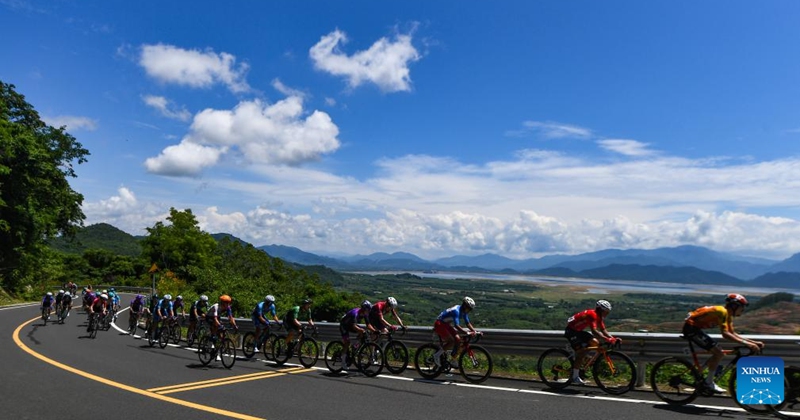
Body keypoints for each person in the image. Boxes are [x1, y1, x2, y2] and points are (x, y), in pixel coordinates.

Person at [682, 293, 764, 393]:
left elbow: (732, 333)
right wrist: (747, 344)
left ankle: (698, 375)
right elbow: (725, 334)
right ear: (734, 306)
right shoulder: (721, 312)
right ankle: (709, 383)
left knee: (718, 353)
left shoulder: (727, 315)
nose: (743, 310)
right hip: (691, 329)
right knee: (719, 353)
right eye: (742, 307)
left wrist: (753, 342)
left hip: (696, 329)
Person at [564, 299, 618, 384]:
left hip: (578, 331)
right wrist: (607, 339)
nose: (607, 314)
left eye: (608, 312)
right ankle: (575, 376)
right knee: (580, 354)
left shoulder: (599, 316)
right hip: (571, 332)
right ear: (600, 310)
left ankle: (586, 360)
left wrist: (613, 338)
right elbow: (594, 331)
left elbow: (603, 330)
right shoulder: (592, 315)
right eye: (606, 312)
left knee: (596, 343)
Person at [433, 297, 478, 368]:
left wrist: (474, 331)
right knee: (451, 341)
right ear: (464, 306)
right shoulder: (456, 311)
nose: (469, 311)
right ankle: (437, 355)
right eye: (469, 308)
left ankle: (452, 358)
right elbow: (456, 326)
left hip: (446, 324)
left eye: (470, 309)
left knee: (458, 339)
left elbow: (468, 323)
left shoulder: (464, 311)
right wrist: (466, 332)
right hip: (439, 324)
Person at [339, 300, 376, 368]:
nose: (368, 312)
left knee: (363, 332)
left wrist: (374, 331)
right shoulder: (355, 313)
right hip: (344, 325)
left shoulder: (365, 314)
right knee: (347, 343)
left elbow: (368, 325)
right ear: (364, 309)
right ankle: (343, 361)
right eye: (368, 310)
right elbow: (354, 326)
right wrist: (361, 330)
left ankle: (355, 345)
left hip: (351, 325)